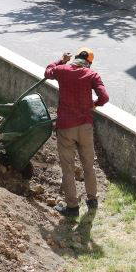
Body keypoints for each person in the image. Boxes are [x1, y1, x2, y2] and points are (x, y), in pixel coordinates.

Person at [44, 48, 109, 219]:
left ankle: (72, 208)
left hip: (66, 127)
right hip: (85, 127)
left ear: (75, 58)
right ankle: (92, 200)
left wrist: (61, 60)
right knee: (88, 165)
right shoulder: (92, 75)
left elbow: (47, 72)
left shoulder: (62, 70)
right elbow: (104, 97)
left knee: (68, 169)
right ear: (89, 62)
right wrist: (94, 104)